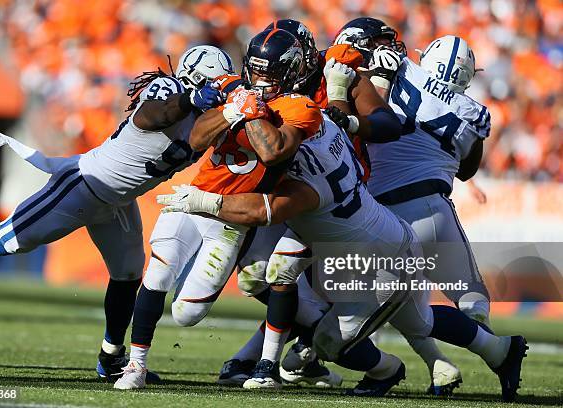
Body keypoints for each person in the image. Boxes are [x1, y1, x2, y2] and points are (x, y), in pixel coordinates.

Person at [157, 111, 527, 402]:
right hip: (379, 236)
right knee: (420, 322)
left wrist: (206, 201)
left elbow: (261, 211)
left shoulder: (306, 182)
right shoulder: (325, 132)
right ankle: (500, 349)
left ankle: (386, 370)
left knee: (328, 342)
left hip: (382, 267)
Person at [0, 44, 233, 383]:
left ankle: (111, 357)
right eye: (215, 84)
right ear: (198, 80)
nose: (219, 92)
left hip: (118, 203)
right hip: (84, 184)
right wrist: (191, 99)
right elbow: (150, 116)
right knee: (8, 239)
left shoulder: (207, 120)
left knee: (128, 275)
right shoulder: (170, 90)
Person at [113, 28, 323, 390]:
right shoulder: (239, 91)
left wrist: (251, 110)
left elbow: (273, 151)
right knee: (158, 273)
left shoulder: (299, 108)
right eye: (256, 71)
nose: (260, 80)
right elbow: (196, 139)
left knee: (187, 314)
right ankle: (136, 365)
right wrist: (230, 110)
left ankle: (307, 341)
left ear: (290, 73)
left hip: (231, 219)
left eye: (269, 74)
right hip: (193, 199)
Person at [218, 18, 403, 389]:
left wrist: (349, 120)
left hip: (327, 193)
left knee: (289, 282)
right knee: (262, 277)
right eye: (260, 71)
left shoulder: (336, 70)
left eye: (278, 69)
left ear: (302, 61)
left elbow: (388, 123)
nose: (266, 80)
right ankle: (281, 355)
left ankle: (271, 361)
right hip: (291, 186)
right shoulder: (263, 85)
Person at [334, 22, 494, 395]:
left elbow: (376, 119)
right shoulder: (473, 110)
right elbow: (468, 169)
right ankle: (488, 348)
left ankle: (303, 353)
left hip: (381, 209)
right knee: (470, 294)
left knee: (371, 301)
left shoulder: (398, 66)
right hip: (434, 204)